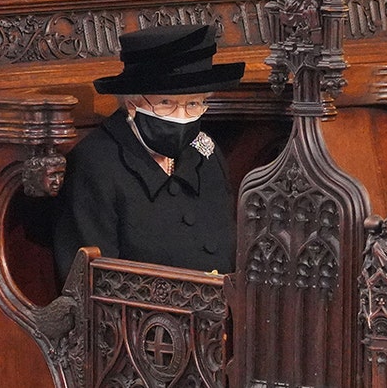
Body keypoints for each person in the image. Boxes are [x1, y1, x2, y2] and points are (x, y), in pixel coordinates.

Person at [53, 23, 245, 282]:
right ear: (132, 104)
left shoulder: (205, 153)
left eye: (193, 104)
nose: (182, 117)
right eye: (166, 103)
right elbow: (91, 281)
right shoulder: (96, 164)